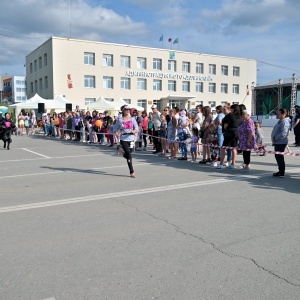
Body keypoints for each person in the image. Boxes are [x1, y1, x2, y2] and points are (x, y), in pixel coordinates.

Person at [115, 106, 138, 178]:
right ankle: (132, 171)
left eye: (129, 109)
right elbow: (115, 128)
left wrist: (134, 131)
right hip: (123, 138)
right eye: (126, 110)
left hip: (131, 138)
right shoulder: (120, 120)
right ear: (123, 111)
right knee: (129, 154)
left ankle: (121, 152)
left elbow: (137, 128)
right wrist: (116, 132)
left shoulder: (132, 119)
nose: (128, 111)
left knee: (129, 153)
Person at [217, 104, 242, 169]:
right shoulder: (240, 116)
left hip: (229, 132)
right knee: (234, 148)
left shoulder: (230, 115)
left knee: (223, 147)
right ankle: (233, 164)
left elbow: (225, 125)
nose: (231, 110)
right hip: (236, 133)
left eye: (231, 108)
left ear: (234, 109)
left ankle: (221, 164)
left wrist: (225, 129)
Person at [271, 108, 290, 177]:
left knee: (279, 156)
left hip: (280, 142)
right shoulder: (281, 121)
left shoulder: (285, 122)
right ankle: (281, 171)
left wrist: (276, 138)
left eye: (279, 114)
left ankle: (281, 172)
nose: (277, 115)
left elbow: (284, 133)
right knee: (278, 156)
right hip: (278, 142)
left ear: (284, 114)